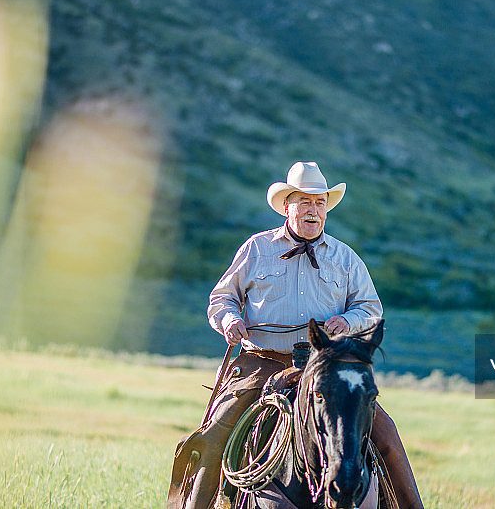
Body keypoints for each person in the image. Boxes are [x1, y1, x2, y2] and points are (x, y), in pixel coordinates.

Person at [167, 161, 424, 509]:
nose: (313, 210)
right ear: (287, 206)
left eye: (320, 202)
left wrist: (347, 322)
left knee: (386, 435)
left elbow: (370, 309)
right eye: (304, 201)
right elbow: (222, 298)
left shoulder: (346, 258)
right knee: (215, 434)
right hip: (262, 364)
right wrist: (229, 320)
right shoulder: (257, 249)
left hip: (327, 367)